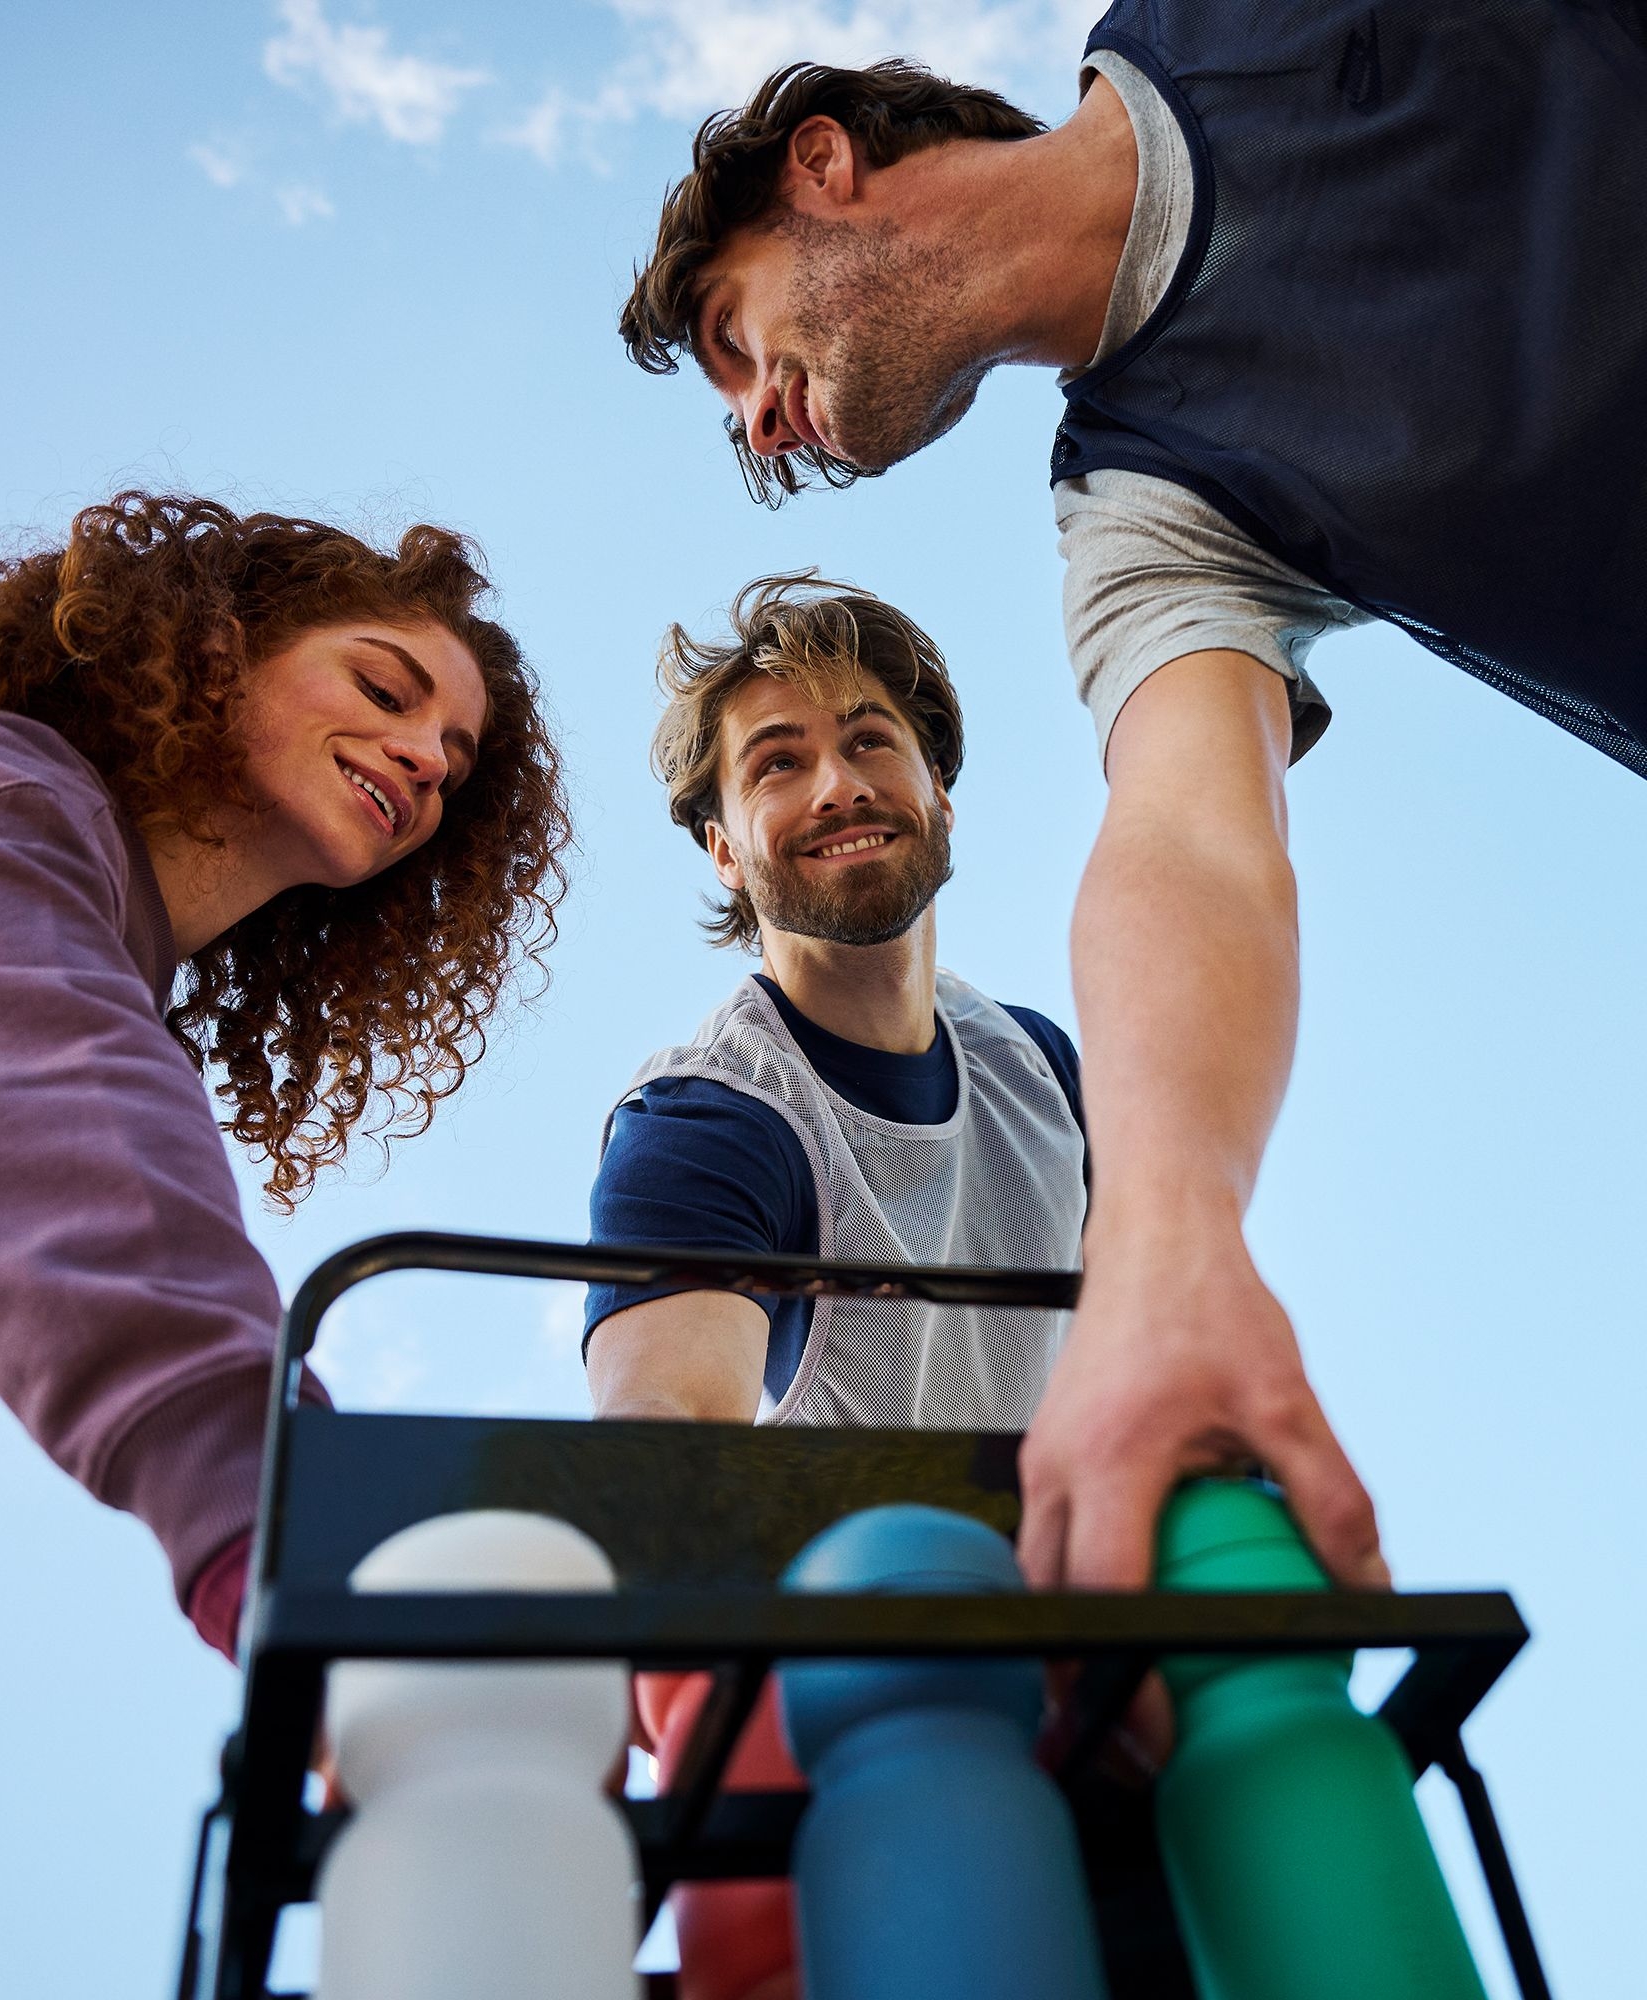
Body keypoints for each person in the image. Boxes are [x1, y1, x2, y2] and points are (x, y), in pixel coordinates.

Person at [615, 8, 1647, 1597]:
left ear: (821, 164)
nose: (753, 415)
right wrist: (1170, 1246)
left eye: (738, 339)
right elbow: (1189, 837)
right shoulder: (1145, 509)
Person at [0, 490, 568, 1658]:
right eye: (386, 691)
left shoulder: (92, 981)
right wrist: (298, 1527)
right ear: (211, 652)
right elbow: (51, 1141)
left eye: (455, 762)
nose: (426, 758)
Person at [584, 574, 1097, 2000]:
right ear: (723, 849)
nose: (839, 783)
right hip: (846, 1712)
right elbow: (664, 1444)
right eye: (778, 762)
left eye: (873, 740)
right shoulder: (711, 1122)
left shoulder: (1042, 1070)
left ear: (941, 791)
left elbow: (1130, 1356)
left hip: (1059, 1662)